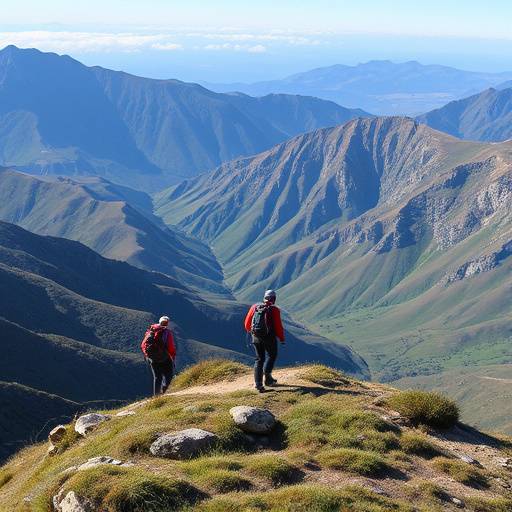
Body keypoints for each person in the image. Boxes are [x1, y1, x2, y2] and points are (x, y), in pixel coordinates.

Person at [244, 289, 285, 393]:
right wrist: (281, 338)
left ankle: (258, 384)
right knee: (272, 355)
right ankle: (268, 378)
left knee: (259, 359)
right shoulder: (274, 310)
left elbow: (247, 324)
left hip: (256, 337)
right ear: (274, 299)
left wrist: (254, 333)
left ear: (264, 298)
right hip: (269, 338)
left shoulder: (254, 307)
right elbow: (278, 326)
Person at [140, 315, 176, 395]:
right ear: (167, 324)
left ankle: (156, 396)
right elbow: (171, 347)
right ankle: (165, 392)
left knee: (157, 377)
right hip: (164, 358)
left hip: (152, 358)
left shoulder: (151, 331)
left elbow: (143, 345)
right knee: (168, 375)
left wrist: (148, 356)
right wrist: (172, 357)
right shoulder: (166, 332)